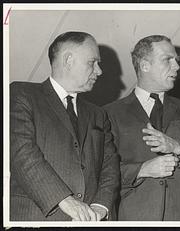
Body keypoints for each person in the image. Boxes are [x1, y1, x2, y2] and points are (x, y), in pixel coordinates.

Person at [10, 31, 120, 221]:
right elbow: (22, 152)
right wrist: (65, 200)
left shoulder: (98, 114)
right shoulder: (22, 94)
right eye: (92, 62)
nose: (99, 71)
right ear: (68, 60)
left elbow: (110, 165)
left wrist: (100, 206)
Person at [104, 35, 180, 221]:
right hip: (138, 217)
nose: (177, 67)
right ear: (145, 65)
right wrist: (143, 169)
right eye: (167, 60)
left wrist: (179, 148)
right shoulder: (109, 113)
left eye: (176, 60)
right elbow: (102, 172)